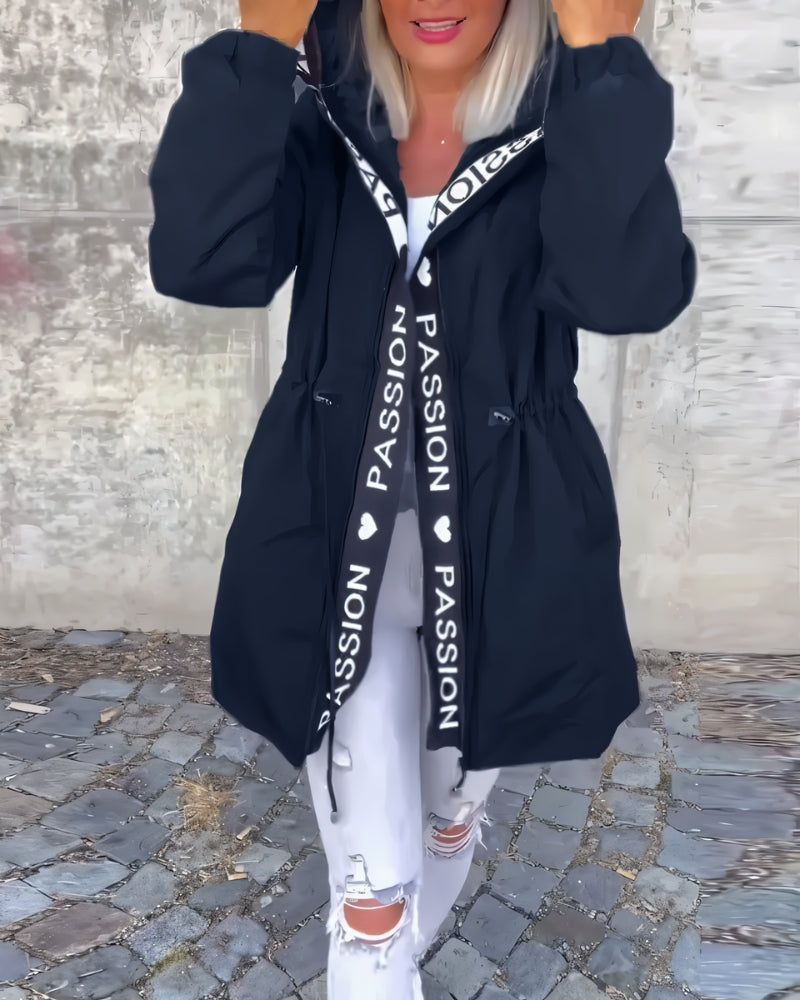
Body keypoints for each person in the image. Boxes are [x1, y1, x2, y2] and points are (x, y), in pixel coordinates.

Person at [147, 0, 696, 996]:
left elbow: (626, 292)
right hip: (330, 555)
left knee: (446, 817)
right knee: (370, 906)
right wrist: (259, 48)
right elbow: (203, 263)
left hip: (505, 558)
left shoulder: (563, 128)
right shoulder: (323, 122)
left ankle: (447, 830)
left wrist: (600, 61)